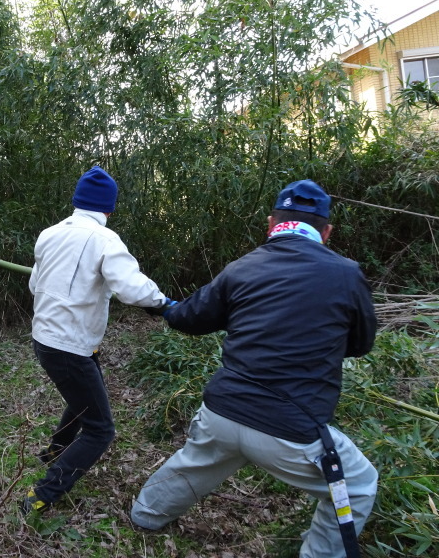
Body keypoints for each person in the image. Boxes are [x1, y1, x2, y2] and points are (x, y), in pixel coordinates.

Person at [130, 180, 378, 558]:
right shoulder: (347, 274)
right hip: (291, 428)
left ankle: (146, 515)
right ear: (326, 231)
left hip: (223, 412)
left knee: (198, 461)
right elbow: (361, 345)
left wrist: (162, 305)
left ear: (270, 224)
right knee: (358, 484)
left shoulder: (242, 267)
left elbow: (190, 319)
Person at [23, 165, 173, 515]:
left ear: (76, 201)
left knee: (85, 396)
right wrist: (165, 304)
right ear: (109, 208)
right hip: (69, 345)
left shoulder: (49, 234)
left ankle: (56, 450)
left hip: (44, 338)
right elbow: (133, 288)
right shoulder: (105, 240)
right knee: (100, 429)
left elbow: (34, 285)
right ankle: (43, 493)